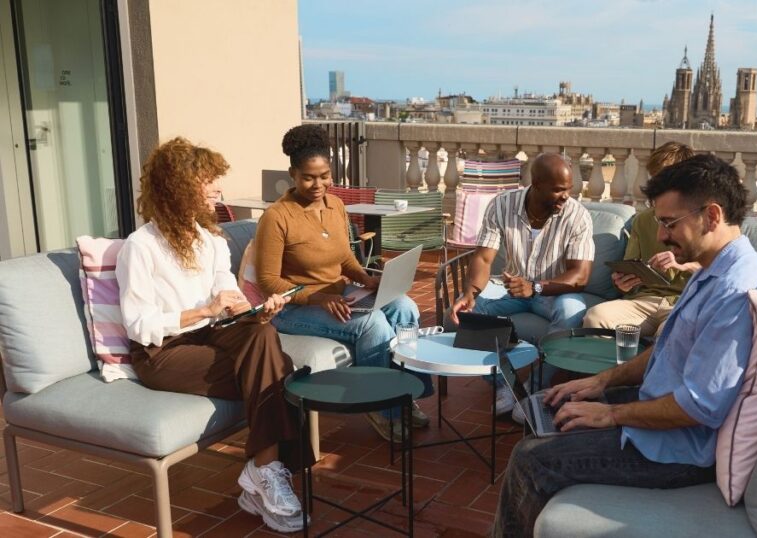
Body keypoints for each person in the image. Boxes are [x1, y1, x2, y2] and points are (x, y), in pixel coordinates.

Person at [492, 154, 757, 537]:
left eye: (669, 223)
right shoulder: (714, 269)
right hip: (659, 416)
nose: (661, 235)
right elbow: (667, 350)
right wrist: (602, 381)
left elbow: (699, 406)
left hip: (678, 451)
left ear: (711, 216)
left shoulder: (734, 292)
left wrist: (611, 415)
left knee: (529, 460)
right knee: (548, 404)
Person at [116, 137, 307, 533]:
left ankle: (263, 470)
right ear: (178, 187)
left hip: (213, 334)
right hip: (162, 352)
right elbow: (139, 325)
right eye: (208, 182)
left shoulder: (211, 241)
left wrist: (254, 309)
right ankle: (265, 471)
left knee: (263, 336)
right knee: (280, 370)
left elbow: (229, 295)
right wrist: (204, 310)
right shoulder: (141, 246)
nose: (217, 191)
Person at [254, 124, 432, 442]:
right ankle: (380, 406)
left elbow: (346, 258)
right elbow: (268, 281)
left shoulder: (335, 205)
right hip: (293, 308)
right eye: (308, 177)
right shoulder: (277, 217)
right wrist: (316, 299)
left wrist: (368, 279)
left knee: (405, 307)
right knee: (373, 324)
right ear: (293, 174)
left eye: (324, 176)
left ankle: (404, 395)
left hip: (338, 293)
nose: (318, 184)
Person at [449, 153, 597, 414]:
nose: (566, 196)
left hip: (553, 293)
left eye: (569, 189)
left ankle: (534, 387)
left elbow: (580, 276)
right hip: (511, 290)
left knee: (573, 310)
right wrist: (469, 293)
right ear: (536, 184)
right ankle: (504, 384)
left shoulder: (577, 216)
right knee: (467, 315)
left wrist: (536, 286)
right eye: (559, 190)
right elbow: (483, 258)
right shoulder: (502, 205)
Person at [583, 141, 698, 336]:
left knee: (669, 333)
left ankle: (642, 366)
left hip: (685, 302)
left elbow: (721, 268)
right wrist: (622, 282)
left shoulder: (702, 219)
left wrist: (681, 266)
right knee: (595, 317)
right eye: (656, 179)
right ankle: (610, 367)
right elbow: (630, 265)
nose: (658, 186)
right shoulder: (643, 220)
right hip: (644, 301)